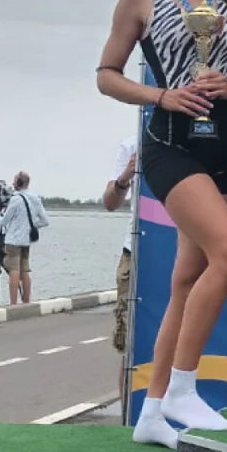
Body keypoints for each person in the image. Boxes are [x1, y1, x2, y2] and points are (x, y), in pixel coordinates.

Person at [96, 0, 227, 448]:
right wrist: (162, 94)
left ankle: (151, 414)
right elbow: (107, 75)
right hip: (170, 144)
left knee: (187, 281)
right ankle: (184, 388)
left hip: (225, 148)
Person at [102, 134, 138, 412]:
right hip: (136, 252)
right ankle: (127, 417)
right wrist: (125, 177)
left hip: (184, 248)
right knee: (129, 346)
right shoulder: (132, 144)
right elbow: (110, 202)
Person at [0, 171, 50, 305]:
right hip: (26, 241)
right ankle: (26, 302)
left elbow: (4, 221)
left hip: (13, 240)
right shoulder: (35, 198)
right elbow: (45, 221)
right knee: (25, 271)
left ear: (19, 182)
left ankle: (13, 303)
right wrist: (31, 225)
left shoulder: (15, 199)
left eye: (15, 180)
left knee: (14, 270)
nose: (13, 183)